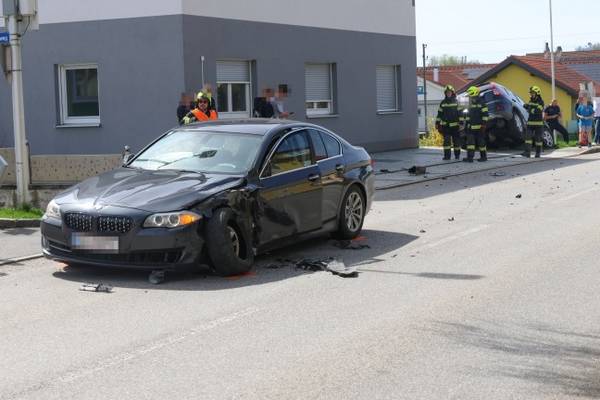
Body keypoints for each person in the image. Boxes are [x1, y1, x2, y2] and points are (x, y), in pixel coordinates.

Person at [462, 86, 489, 163]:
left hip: (480, 127)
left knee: (481, 143)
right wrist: (466, 124)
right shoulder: (469, 103)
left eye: (470, 94)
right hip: (470, 127)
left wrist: (483, 125)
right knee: (470, 143)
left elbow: (485, 115)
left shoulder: (482, 103)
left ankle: (483, 157)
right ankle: (470, 158)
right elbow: (466, 114)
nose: (469, 96)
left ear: (474, 93)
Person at [435, 85, 462, 160]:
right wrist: (437, 123)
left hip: (455, 126)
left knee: (456, 142)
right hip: (446, 126)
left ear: (452, 93)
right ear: (445, 93)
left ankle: (457, 155)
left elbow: (460, 113)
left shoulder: (456, 102)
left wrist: (461, 123)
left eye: (449, 92)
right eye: (447, 92)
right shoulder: (443, 103)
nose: (448, 93)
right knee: (446, 142)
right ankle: (447, 156)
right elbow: (439, 114)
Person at [522, 86, 545, 158]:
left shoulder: (541, 102)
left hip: (538, 124)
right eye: (531, 93)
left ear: (537, 93)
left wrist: (530, 109)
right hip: (530, 123)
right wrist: (526, 106)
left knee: (538, 139)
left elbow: (538, 111)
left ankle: (538, 153)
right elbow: (529, 107)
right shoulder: (530, 101)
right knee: (528, 139)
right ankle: (527, 153)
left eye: (533, 93)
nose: (531, 94)